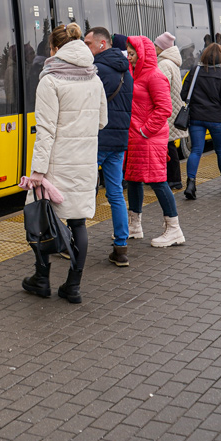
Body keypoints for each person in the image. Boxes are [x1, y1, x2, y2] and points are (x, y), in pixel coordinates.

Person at [21, 23, 107, 304]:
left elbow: (45, 131)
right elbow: (102, 121)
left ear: (56, 49)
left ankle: (42, 278)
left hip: (56, 165)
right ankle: (73, 286)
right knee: (78, 222)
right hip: (84, 162)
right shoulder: (94, 78)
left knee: (42, 219)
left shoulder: (50, 79)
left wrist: (37, 172)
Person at [123, 35, 184, 248]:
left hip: (148, 139)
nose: (129, 58)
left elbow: (164, 109)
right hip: (136, 138)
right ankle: (135, 226)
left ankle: (174, 229)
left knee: (158, 181)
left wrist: (145, 131)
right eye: (128, 53)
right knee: (133, 179)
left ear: (142, 54)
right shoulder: (135, 75)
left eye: (132, 54)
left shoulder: (155, 76)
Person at [83, 26, 134, 267]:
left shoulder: (96, 71)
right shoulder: (128, 72)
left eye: (89, 44)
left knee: (85, 191)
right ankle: (121, 247)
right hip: (119, 141)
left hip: (99, 139)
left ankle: (75, 241)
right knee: (115, 193)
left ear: (102, 44)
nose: (86, 48)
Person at [183, 42, 221, 196]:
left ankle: (191, 185)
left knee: (196, 150)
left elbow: (184, 94)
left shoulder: (195, 71)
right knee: (220, 151)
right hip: (216, 118)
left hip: (196, 117)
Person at [154, 32, 187, 192]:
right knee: (170, 145)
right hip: (173, 109)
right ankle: (175, 180)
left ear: (162, 48)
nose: (153, 48)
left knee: (168, 146)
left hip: (167, 111)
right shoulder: (171, 62)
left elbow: (160, 88)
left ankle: (173, 180)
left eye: (156, 45)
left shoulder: (164, 64)